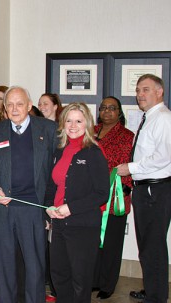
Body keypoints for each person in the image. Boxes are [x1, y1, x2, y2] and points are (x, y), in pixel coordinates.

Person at [0, 86, 58, 303]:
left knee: (35, 269)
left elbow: (57, 171)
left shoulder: (49, 129)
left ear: (29, 105)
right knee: (5, 268)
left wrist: (49, 208)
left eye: (20, 103)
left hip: (34, 210)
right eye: (10, 105)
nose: (15, 109)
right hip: (3, 211)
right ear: (4, 109)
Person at [45, 102, 109, 303]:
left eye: (78, 121)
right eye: (69, 120)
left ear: (87, 124)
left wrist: (70, 208)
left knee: (80, 280)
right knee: (59, 276)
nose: (73, 125)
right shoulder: (59, 151)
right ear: (62, 124)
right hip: (59, 224)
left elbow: (101, 194)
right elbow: (51, 186)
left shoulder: (94, 152)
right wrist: (48, 208)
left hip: (83, 225)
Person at [117, 74, 171, 303]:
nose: (140, 94)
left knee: (153, 246)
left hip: (155, 190)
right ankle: (151, 290)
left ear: (159, 92)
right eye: (138, 90)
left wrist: (130, 167)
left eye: (146, 90)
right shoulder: (150, 117)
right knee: (146, 245)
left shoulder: (164, 118)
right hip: (144, 189)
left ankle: (157, 297)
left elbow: (163, 156)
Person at [92, 96, 134, 300]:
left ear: (119, 112)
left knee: (111, 243)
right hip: (91, 198)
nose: (107, 111)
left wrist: (124, 187)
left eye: (112, 108)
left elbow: (133, 165)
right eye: (103, 108)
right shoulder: (91, 131)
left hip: (116, 197)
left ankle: (108, 284)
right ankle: (94, 280)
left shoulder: (128, 135)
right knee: (92, 241)